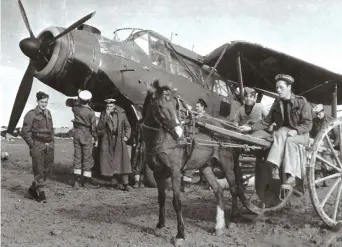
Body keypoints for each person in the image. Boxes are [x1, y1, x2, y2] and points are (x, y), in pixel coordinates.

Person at [239, 74, 313, 188]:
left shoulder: (301, 102)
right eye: (277, 87)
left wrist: (296, 131)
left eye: (281, 87)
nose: (278, 90)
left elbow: (308, 124)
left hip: (302, 134)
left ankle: (291, 176)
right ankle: (275, 168)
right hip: (284, 133)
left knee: (289, 140)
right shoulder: (277, 103)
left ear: (289, 87)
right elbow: (266, 122)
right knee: (280, 132)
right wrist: (250, 128)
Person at [21, 91, 54, 202]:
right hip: (37, 144)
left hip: (49, 145)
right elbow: (25, 132)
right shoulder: (31, 114)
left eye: (45, 102)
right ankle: (41, 192)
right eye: (42, 102)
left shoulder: (48, 113)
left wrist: (52, 143)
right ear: (37, 101)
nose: (44, 104)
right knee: (38, 170)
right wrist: (33, 145)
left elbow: (51, 131)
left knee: (47, 170)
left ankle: (32, 189)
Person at [97, 98, 132, 191]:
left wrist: (126, 137)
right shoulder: (104, 114)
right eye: (107, 106)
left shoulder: (122, 114)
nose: (109, 108)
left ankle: (125, 183)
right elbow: (99, 127)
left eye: (111, 106)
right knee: (110, 160)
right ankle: (113, 182)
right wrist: (106, 115)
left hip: (119, 140)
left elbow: (128, 127)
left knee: (123, 161)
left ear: (114, 106)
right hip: (107, 140)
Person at [67, 90, 98, 188]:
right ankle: (86, 181)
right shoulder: (90, 112)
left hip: (77, 133)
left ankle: (77, 181)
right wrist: (96, 138)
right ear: (89, 100)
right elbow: (93, 128)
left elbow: (75, 103)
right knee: (87, 158)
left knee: (77, 157)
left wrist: (78, 94)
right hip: (86, 134)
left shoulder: (75, 109)